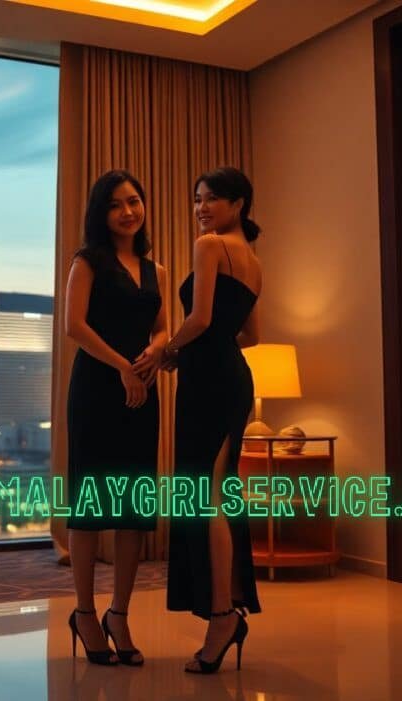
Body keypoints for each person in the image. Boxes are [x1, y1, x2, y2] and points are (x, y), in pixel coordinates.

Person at [65, 169, 168, 666]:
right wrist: (123, 365)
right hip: (96, 390)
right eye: (115, 205)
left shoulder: (156, 270)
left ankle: (119, 615)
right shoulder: (87, 262)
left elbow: (164, 327)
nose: (128, 211)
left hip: (141, 394)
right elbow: (74, 326)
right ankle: (84, 613)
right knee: (89, 510)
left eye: (134, 201)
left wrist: (153, 351)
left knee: (132, 511)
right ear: (100, 214)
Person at [162, 166, 263, 674]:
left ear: (239, 202)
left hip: (209, 382)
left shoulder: (209, 247)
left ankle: (223, 615)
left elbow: (200, 319)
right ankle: (226, 610)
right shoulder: (255, 261)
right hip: (229, 376)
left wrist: (167, 350)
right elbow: (252, 337)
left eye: (212, 198)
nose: (201, 207)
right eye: (197, 199)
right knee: (218, 491)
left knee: (208, 495)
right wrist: (196, 352)